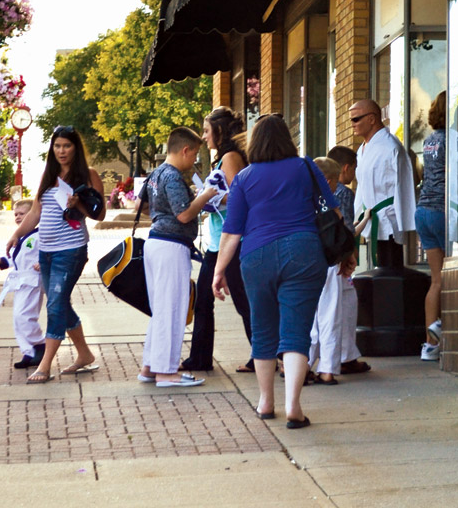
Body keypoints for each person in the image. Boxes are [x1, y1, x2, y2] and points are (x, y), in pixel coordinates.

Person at [212, 114, 339, 429]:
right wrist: (346, 253)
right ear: (287, 140)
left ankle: (265, 402)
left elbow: (231, 232)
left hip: (256, 256)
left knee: (264, 329)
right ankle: (293, 406)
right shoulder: (306, 168)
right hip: (305, 252)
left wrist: (219, 270)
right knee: (296, 332)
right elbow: (333, 212)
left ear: (255, 144)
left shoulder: (243, 178)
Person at [6, 125, 105, 384]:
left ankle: (45, 363)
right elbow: (36, 212)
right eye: (57, 146)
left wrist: (78, 203)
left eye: (67, 146)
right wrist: (16, 235)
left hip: (70, 250)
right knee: (58, 302)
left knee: (54, 305)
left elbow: (99, 214)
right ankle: (84, 354)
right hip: (46, 252)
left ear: (76, 148)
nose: (61, 151)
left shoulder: (89, 174)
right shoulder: (49, 175)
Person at [138, 127, 219, 387]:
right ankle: (166, 372)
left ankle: (151, 366)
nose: (194, 159)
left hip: (157, 243)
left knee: (161, 309)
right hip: (171, 247)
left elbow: (145, 204)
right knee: (172, 309)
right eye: (194, 153)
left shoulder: (156, 173)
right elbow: (183, 214)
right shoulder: (172, 176)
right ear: (185, 150)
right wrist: (205, 196)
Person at [181, 107, 255, 373]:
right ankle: (200, 358)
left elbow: (239, 196)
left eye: (207, 130)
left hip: (234, 242)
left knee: (244, 301)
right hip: (217, 242)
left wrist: (210, 197)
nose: (204, 136)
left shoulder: (232, 157)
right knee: (202, 299)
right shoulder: (221, 159)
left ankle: (265, 356)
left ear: (220, 132)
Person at [307, 157, 359, 385]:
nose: (337, 186)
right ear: (327, 180)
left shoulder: (301, 198)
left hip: (305, 261)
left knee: (308, 318)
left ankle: (301, 364)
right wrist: (348, 255)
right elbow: (341, 229)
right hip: (330, 261)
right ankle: (327, 369)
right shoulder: (329, 201)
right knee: (330, 316)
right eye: (336, 181)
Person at [349, 99, 416, 269]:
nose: (352, 124)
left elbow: (404, 186)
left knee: (390, 273)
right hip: (370, 221)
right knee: (376, 276)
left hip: (389, 222)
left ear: (372, 119)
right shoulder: (362, 150)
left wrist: (404, 222)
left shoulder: (391, 147)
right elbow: (362, 188)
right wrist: (357, 218)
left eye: (356, 119)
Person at [326, 145, 371, 375]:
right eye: (354, 168)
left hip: (322, 259)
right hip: (338, 261)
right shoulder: (344, 193)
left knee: (328, 312)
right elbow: (345, 229)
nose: (354, 173)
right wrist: (349, 256)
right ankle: (343, 359)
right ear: (345, 168)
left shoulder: (321, 192)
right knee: (343, 308)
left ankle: (340, 357)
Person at [0, 199, 44, 369]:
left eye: (22, 214)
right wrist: (1, 261)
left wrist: (43, 262)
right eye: (16, 214)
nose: (18, 217)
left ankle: (40, 345)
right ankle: (28, 351)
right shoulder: (21, 236)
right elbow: (17, 259)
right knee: (17, 319)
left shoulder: (40, 234)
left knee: (24, 316)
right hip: (20, 282)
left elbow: (48, 251)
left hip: (33, 280)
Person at [416, 92, 447, 361]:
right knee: (451, 276)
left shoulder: (429, 141)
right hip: (441, 210)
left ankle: (430, 344)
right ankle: (444, 328)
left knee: (435, 279)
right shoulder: (453, 140)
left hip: (422, 210)